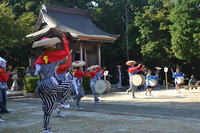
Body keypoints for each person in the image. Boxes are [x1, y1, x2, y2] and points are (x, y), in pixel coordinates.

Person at [34, 33, 71, 133]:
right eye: (54, 45)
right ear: (51, 46)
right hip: (49, 84)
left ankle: (46, 128)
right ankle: (61, 102)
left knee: (48, 108)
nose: (55, 47)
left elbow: (53, 63)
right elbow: (66, 53)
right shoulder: (52, 55)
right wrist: (64, 43)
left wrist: (64, 59)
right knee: (67, 84)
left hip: (41, 86)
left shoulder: (41, 58)